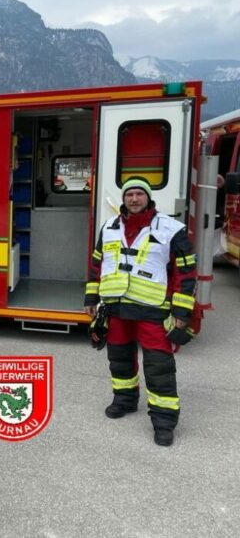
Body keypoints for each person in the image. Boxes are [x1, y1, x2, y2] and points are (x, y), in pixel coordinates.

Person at [84, 177, 196, 447]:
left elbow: (186, 271)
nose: (134, 199)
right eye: (129, 194)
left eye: (139, 194)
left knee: (159, 368)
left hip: (152, 310)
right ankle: (125, 400)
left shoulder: (172, 229)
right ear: (124, 199)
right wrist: (91, 296)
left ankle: (164, 421)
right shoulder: (109, 227)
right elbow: (97, 265)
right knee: (119, 359)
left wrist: (182, 310)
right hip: (116, 308)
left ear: (148, 198)